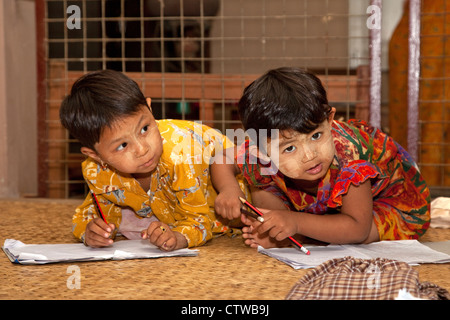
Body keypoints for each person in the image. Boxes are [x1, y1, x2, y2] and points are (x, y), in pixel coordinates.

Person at [213, 67, 430, 248]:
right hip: (321, 202)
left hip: (384, 203)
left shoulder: (350, 156)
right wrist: (229, 189)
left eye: (316, 135)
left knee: (364, 235)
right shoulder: (259, 148)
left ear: (330, 120)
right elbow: (222, 158)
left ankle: (298, 233)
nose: (310, 155)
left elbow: (357, 228)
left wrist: (295, 222)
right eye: (289, 148)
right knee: (260, 175)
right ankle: (282, 231)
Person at [60, 69, 248, 250]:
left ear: (150, 108)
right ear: (95, 154)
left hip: (239, 204)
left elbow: (200, 220)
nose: (143, 149)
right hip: (170, 208)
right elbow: (87, 215)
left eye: (144, 129)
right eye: (122, 146)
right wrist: (90, 232)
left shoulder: (180, 154)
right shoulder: (97, 170)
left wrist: (178, 237)